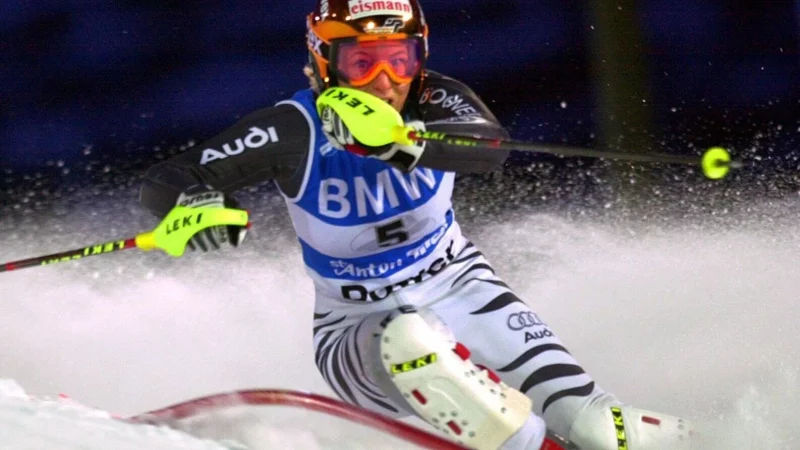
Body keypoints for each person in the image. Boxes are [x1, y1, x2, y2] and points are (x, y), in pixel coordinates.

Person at [139, 1, 694, 449]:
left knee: (599, 427)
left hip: (462, 285)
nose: (385, 82)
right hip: (357, 324)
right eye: (363, 63)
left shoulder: (435, 99)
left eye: (399, 59)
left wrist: (407, 143)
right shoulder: (293, 128)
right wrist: (196, 206)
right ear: (324, 63)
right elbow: (168, 179)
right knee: (416, 346)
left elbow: (490, 148)